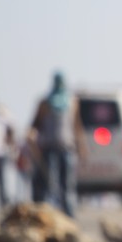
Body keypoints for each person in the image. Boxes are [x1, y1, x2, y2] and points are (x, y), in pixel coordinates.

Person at [30, 71, 86, 218]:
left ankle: (68, 214)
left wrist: (82, 147)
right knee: (50, 184)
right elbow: (35, 125)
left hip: (66, 148)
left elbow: (77, 126)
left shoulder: (72, 101)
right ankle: (50, 215)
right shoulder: (45, 102)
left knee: (67, 184)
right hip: (49, 149)